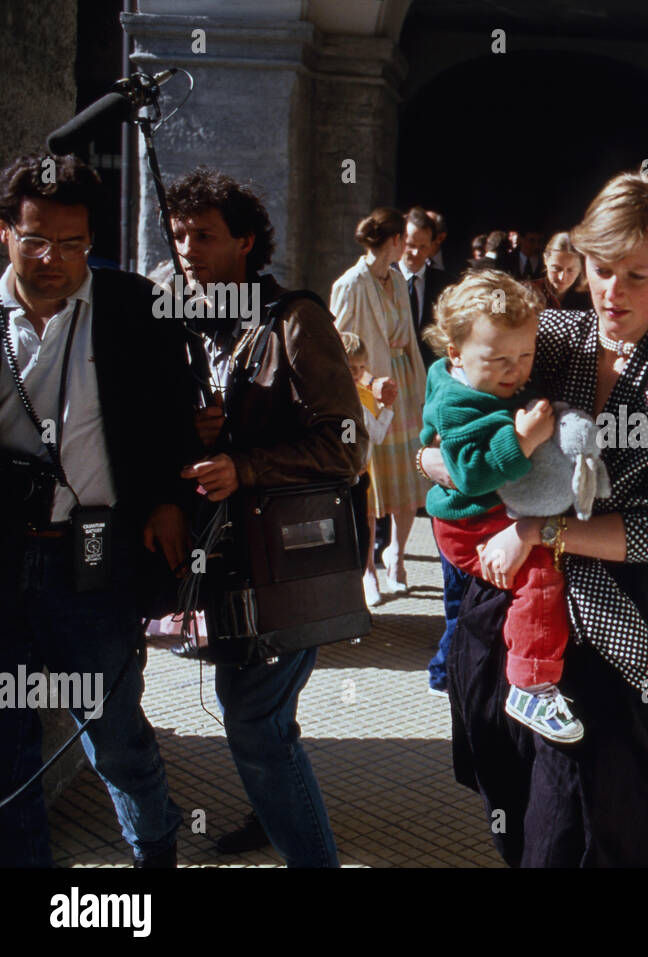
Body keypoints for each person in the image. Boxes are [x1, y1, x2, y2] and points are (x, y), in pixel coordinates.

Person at [420, 171, 648, 866]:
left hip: (607, 625)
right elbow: (449, 413)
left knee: (581, 829)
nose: (613, 292)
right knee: (512, 794)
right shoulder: (549, 333)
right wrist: (439, 464)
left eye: (638, 274)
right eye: (601, 269)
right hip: (502, 605)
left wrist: (538, 529)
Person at [167, 166, 367, 867]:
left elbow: (345, 447)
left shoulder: (297, 319)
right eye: (179, 233)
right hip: (229, 563)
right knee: (260, 713)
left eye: (205, 235)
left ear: (247, 242)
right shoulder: (196, 320)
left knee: (254, 720)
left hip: (289, 565)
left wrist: (245, 466)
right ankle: (272, 808)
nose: (187, 248)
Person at [0, 153, 192, 868]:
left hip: (92, 556)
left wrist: (168, 500)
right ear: (5, 234)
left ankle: (154, 857)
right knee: (7, 740)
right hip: (4, 555)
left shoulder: (132, 308)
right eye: (36, 240)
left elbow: (172, 415)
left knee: (114, 731)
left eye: (74, 243)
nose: (56, 260)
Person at [419, 269, 581, 743]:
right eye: (498, 360)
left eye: (525, 356)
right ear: (455, 354)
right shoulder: (459, 402)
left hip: (490, 513)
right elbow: (470, 474)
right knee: (539, 579)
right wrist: (523, 441)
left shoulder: (479, 380)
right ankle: (531, 682)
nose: (515, 371)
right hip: (470, 523)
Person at [330, 208, 429, 595]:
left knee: (407, 476)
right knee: (373, 487)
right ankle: (367, 568)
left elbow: (406, 337)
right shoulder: (351, 283)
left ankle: (398, 557)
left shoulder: (399, 279)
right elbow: (339, 347)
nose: (407, 246)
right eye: (403, 238)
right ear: (393, 241)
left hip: (403, 382)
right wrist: (369, 381)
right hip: (370, 390)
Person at [341, 331, 397, 607]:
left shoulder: (353, 396)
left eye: (361, 368)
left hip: (351, 474)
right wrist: (387, 409)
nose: (357, 373)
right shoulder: (356, 401)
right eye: (352, 368)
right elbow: (376, 435)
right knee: (358, 533)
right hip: (354, 475)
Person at [398, 206, 451, 369]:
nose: (416, 253)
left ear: (433, 245)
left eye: (423, 247)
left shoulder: (445, 284)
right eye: (411, 245)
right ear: (399, 240)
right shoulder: (383, 278)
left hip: (427, 371)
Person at [531, 231, 589, 311]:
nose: (561, 277)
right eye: (556, 268)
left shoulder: (589, 299)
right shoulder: (528, 294)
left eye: (570, 270)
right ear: (545, 260)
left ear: (581, 267)